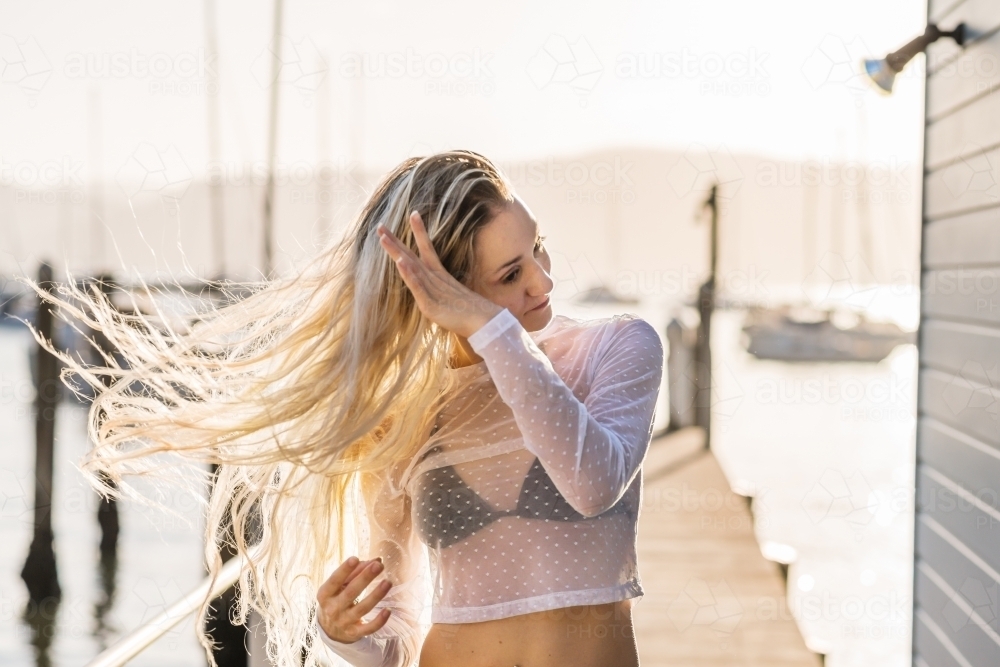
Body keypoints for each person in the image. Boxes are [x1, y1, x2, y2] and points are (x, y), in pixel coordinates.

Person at [30, 151, 662, 667]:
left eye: (538, 247)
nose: (543, 281)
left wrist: (493, 329)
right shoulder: (408, 414)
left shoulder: (616, 350)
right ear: (439, 290)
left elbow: (592, 483)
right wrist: (347, 634)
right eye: (509, 274)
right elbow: (400, 629)